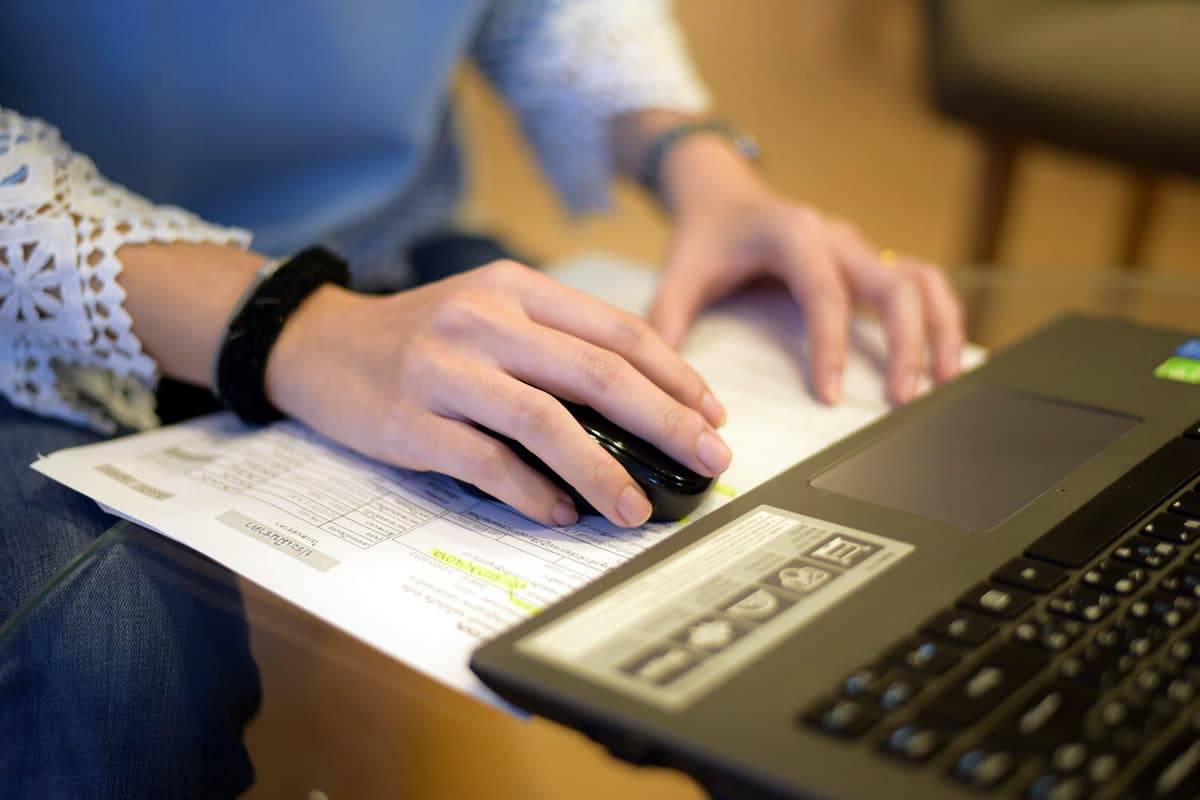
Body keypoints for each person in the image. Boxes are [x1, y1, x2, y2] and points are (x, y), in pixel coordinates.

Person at [0, 2, 964, 796]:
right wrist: (298, 328)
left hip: (385, 254)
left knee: (784, 582)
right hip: (40, 307)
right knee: (108, 674)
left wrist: (700, 161)